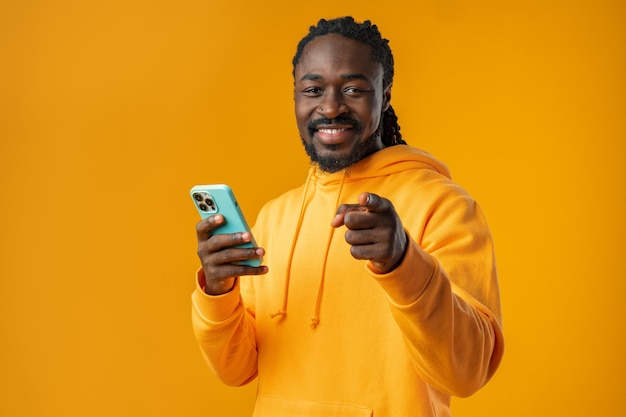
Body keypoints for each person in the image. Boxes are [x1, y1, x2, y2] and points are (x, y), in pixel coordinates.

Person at [192, 16, 504, 417]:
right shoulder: (274, 216)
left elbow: (468, 372)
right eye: (313, 89)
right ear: (296, 98)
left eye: (354, 89)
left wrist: (404, 262)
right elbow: (235, 370)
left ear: (385, 95)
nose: (331, 107)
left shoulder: (443, 206)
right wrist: (217, 294)